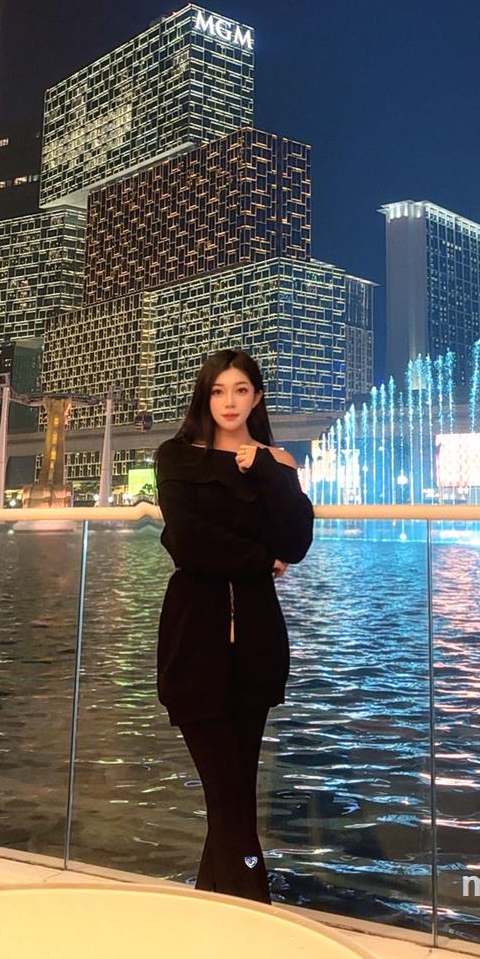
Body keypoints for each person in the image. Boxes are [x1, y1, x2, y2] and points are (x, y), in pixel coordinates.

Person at [153, 348, 314, 903]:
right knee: (228, 799)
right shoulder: (176, 457)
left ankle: (213, 908)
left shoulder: (276, 462)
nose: (229, 401)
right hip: (193, 642)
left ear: (257, 397)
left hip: (257, 644)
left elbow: (296, 541)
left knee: (234, 799)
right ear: (205, 397)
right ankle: (255, 908)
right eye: (218, 390)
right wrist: (260, 558)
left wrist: (268, 470)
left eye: (241, 390)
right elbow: (188, 542)